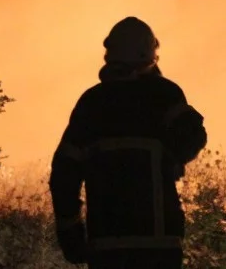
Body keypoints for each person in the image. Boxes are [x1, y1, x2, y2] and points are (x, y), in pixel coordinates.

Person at [49, 16, 207, 268]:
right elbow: (195, 135)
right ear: (149, 54)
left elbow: (64, 174)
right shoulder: (164, 95)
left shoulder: (92, 103)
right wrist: (173, 159)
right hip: (158, 246)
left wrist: (71, 234)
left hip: (107, 247)